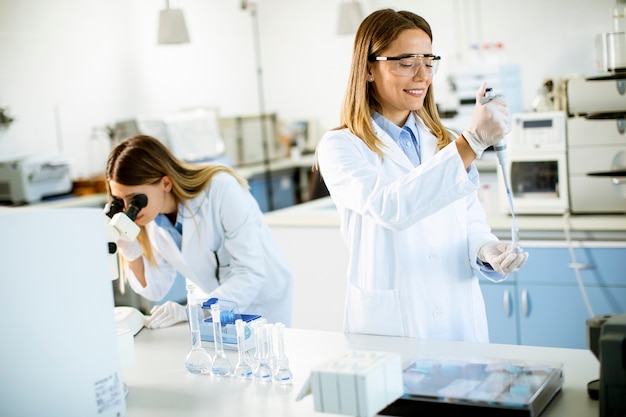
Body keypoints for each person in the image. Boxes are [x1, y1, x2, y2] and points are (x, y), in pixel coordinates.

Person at [315, 9, 528, 343]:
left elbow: (468, 222)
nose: (422, 75)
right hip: (394, 327)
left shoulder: (444, 140)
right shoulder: (341, 147)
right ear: (369, 68)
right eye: (406, 62)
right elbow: (391, 206)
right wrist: (471, 143)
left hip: (458, 319)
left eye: (429, 61)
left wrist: (487, 250)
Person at [106, 134, 293, 328]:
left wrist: (192, 312)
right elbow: (156, 288)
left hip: (261, 304)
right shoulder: (155, 220)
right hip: (213, 309)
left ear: (166, 183)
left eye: (134, 199)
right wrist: (130, 250)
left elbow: (250, 273)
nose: (128, 208)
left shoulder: (221, 189)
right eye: (121, 201)